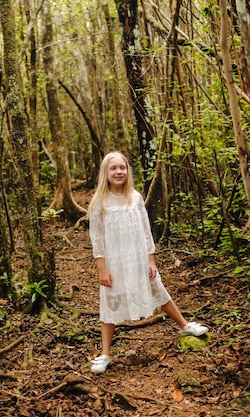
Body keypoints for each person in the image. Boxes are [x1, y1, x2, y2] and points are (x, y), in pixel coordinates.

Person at [88, 151, 208, 374]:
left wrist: (150, 260)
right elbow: (96, 238)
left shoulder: (135, 197)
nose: (118, 172)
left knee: (159, 291)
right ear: (105, 172)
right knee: (110, 304)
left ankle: (184, 326)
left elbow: (145, 232)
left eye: (122, 167)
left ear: (127, 171)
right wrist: (102, 268)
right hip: (115, 262)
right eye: (113, 168)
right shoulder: (99, 203)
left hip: (138, 258)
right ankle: (105, 353)